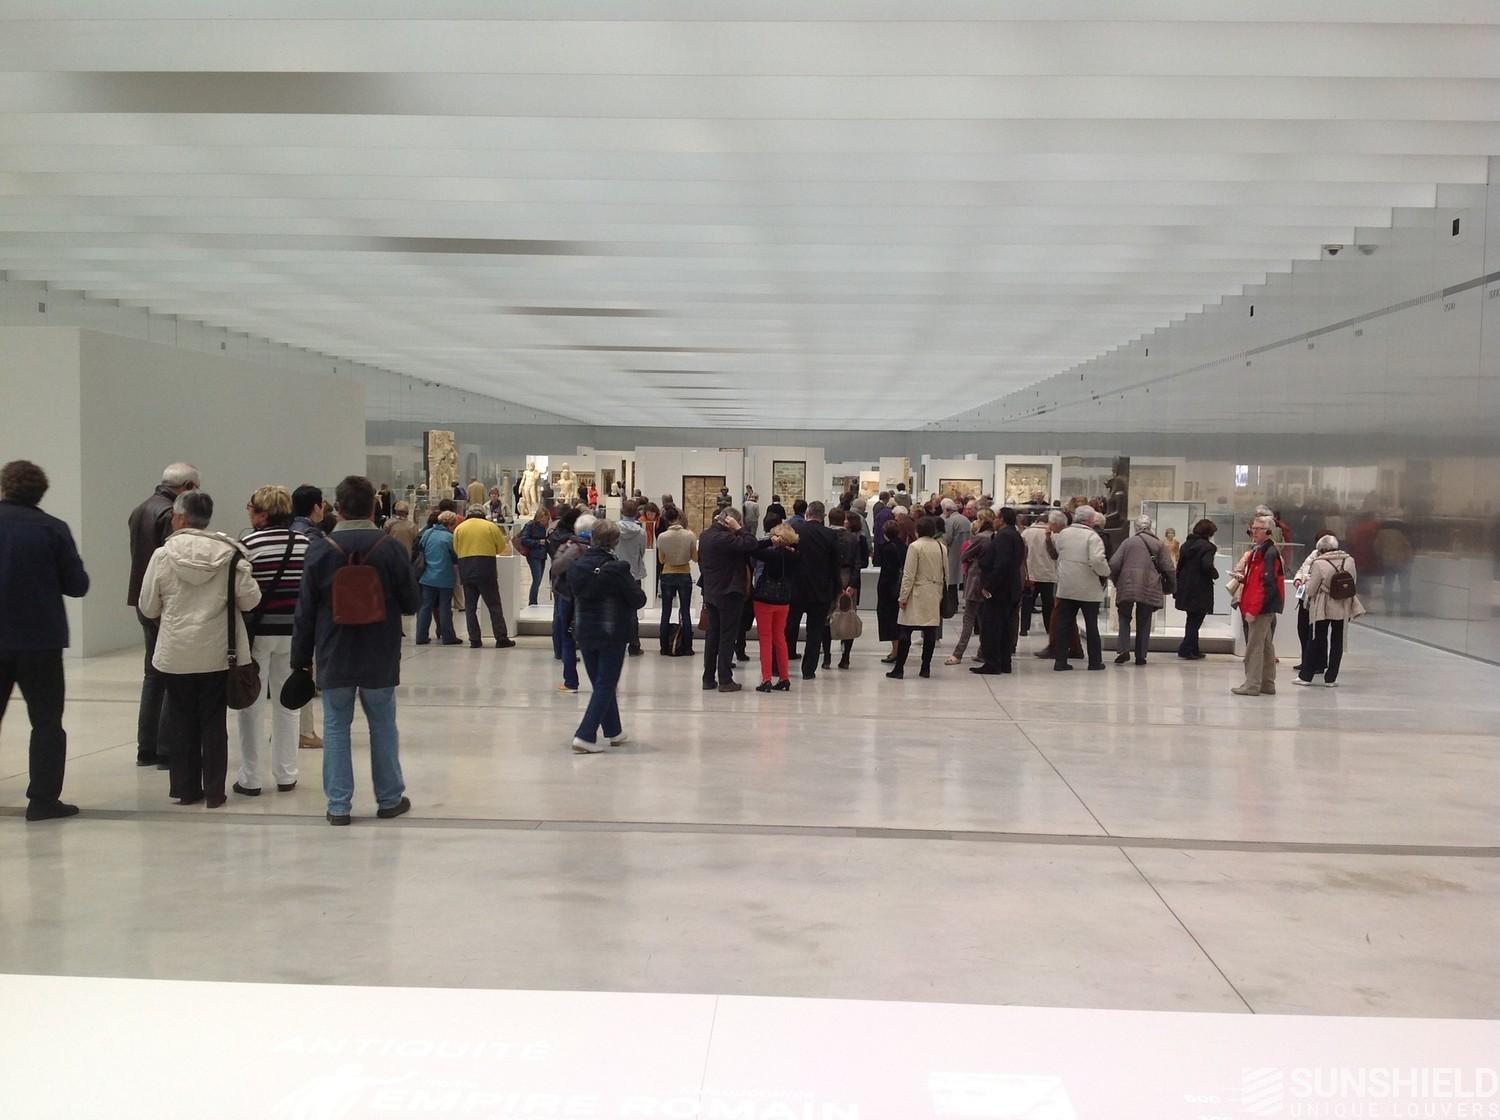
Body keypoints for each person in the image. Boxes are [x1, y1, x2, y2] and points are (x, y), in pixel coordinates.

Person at [293, 476, 420, 824]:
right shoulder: (390, 547)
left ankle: (338, 806)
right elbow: (411, 602)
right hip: (380, 651)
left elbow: (304, 610)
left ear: (338, 507)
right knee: (383, 724)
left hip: (335, 651)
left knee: (335, 726)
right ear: (375, 506)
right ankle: (390, 798)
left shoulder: (320, 549)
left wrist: (300, 659)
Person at [138, 490, 261, 808]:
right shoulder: (231, 555)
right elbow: (251, 600)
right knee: (213, 721)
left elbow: (148, 606)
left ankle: (185, 788)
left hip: (175, 653)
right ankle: (216, 792)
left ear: (179, 517)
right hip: (219, 654)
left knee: (180, 719)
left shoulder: (162, 556)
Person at [0, 460, 89, 821]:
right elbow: (77, 585)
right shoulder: (53, 529)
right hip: (41, 640)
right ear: (40, 493)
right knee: (47, 721)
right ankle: (42, 800)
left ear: (4, 488)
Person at [233, 485, 310, 798]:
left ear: (262, 512)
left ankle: (251, 777)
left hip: (257, 634)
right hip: (293, 634)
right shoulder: (306, 544)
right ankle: (286, 774)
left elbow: (240, 592)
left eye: (250, 507)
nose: (248, 512)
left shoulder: (247, 545)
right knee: (287, 704)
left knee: (250, 704)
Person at [127, 461, 200, 769]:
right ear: (187, 488)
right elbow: (175, 561)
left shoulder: (139, 509)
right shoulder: (170, 515)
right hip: (166, 605)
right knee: (173, 673)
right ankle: (167, 748)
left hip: (143, 600)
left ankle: (147, 747)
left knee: (153, 675)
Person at [566, 519, 647, 753]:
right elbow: (637, 599)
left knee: (602, 684)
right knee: (605, 684)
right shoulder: (617, 568)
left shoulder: (577, 565)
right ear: (615, 541)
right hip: (612, 633)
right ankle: (585, 735)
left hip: (584, 631)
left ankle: (614, 730)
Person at [697, 508, 758, 692]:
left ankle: (708, 678)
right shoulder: (725, 538)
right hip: (729, 593)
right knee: (727, 637)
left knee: (712, 636)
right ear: (730, 521)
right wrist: (739, 528)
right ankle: (725, 679)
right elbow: (751, 543)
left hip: (711, 592)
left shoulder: (705, 535)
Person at [1296, 534, 1365, 688]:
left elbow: (1312, 589)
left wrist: (1306, 585)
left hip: (1323, 606)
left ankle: (1306, 676)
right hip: (1343, 605)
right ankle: (1331, 678)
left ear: (1321, 550)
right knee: (1337, 642)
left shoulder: (1319, 563)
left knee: (1316, 639)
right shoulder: (1349, 560)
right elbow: (1352, 582)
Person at [1109, 514, 1175, 666]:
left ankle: (1123, 649)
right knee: (1144, 620)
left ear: (1136, 527)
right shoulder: (1159, 545)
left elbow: (1114, 563)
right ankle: (1141, 655)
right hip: (1149, 584)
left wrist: (1117, 580)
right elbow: (1168, 568)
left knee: (1124, 617)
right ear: (1150, 527)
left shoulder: (1128, 542)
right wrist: (1172, 586)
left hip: (1127, 584)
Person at [786, 501, 841, 679]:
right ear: (823, 516)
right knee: (815, 631)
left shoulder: (796, 530)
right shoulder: (830, 535)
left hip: (796, 588)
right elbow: (835, 565)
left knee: (790, 625)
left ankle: (783, 662)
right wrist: (836, 590)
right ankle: (808, 670)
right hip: (821, 589)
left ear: (807, 514)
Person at [1232, 515, 1286, 697]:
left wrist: (1253, 609)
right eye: (1252, 529)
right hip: (1262, 605)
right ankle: (1267, 683)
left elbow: (1267, 584)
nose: (1253, 532)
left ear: (1268, 531)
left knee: (1254, 646)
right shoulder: (1261, 551)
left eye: (1257, 529)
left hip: (1261, 607)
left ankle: (1252, 684)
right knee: (1265, 645)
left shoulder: (1268, 553)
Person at [1052, 506, 1110, 672]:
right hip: (1088, 588)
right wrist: (1106, 573)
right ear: (1091, 520)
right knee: (1091, 625)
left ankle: (1060, 661)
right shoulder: (1092, 536)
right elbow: (1097, 560)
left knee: (1064, 624)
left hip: (1066, 585)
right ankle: (1095, 662)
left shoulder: (1064, 534)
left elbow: (1058, 552)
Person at [889, 516, 948, 679]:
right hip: (934, 592)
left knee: (906, 630)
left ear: (917, 530)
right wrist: (942, 593)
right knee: (930, 632)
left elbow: (909, 574)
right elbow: (946, 573)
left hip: (916, 592)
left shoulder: (915, 547)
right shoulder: (941, 546)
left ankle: (899, 668)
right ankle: (925, 668)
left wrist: (903, 596)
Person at [454, 506, 516, 649]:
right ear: (483, 514)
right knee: (494, 605)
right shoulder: (490, 526)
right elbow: (501, 547)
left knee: (470, 607)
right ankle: (501, 638)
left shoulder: (460, 528)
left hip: (466, 568)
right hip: (485, 568)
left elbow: (456, 549)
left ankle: (474, 639)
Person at [972, 507, 1025, 675]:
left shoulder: (1004, 536)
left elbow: (1002, 564)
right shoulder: (1015, 535)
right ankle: (1004, 662)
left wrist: (989, 586)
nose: (993, 521)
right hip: (1011, 587)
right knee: (1005, 628)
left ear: (1001, 519)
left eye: (996, 518)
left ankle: (993, 663)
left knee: (992, 627)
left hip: (1000, 589)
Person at [751, 521, 799, 691]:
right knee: (780, 638)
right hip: (784, 601)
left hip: (765, 599)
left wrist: (769, 542)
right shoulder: (795, 555)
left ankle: (766, 679)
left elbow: (753, 548)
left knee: (765, 639)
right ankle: (784, 677)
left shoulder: (772, 555)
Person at [945, 509, 993, 665]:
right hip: (988, 583)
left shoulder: (980, 538)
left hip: (975, 581)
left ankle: (958, 654)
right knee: (984, 619)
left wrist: (973, 557)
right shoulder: (994, 537)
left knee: (969, 619)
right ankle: (983, 652)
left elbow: (964, 555)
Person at [548, 508, 587, 690]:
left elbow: (556, 567)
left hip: (565, 591)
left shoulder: (558, 538)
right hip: (583, 594)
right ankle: (603, 681)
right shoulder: (589, 546)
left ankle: (570, 680)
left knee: (566, 633)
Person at [1174, 519, 1220, 660]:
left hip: (1185, 586)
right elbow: (1206, 565)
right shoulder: (1208, 547)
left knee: (1191, 619)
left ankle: (1194, 649)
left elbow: (1180, 566)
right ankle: (1185, 649)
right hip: (1200, 588)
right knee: (1196, 620)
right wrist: (1214, 573)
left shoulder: (1186, 545)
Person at [414, 510, 461, 645]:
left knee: (425, 607)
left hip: (427, 576)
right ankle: (448, 637)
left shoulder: (428, 533)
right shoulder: (449, 538)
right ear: (451, 524)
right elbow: (455, 557)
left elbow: (420, 548)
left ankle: (421, 636)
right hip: (445, 577)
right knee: (444, 607)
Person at [655, 506, 697, 656]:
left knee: (665, 611)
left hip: (667, 573)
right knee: (685, 611)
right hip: (684, 573)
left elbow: (661, 559)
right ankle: (687, 647)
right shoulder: (690, 535)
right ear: (680, 518)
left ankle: (664, 647)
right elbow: (695, 557)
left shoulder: (662, 537)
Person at [1020, 510, 1061, 640]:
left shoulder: (1026, 532)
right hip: (1047, 573)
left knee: (1027, 602)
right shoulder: (1052, 534)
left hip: (1030, 573)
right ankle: (1049, 628)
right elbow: (1055, 554)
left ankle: (1024, 628)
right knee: (1048, 603)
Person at [616, 499, 647, 656]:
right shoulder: (641, 532)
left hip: (615, 573)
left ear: (622, 511)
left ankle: (616, 643)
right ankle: (634, 645)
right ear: (636, 513)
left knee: (615, 609)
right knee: (632, 611)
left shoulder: (614, 528)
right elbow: (642, 552)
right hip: (633, 573)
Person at [876, 519, 907, 664]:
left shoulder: (887, 548)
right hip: (901, 586)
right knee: (899, 620)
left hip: (889, 589)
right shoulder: (904, 547)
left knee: (890, 621)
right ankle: (897, 649)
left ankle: (895, 651)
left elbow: (886, 572)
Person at [516, 507, 551, 607]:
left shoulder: (547, 527)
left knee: (538, 580)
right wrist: (538, 542)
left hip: (542, 555)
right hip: (533, 555)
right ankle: (532, 602)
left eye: (546, 520)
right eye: (543, 519)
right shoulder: (531, 525)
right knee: (537, 579)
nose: (544, 522)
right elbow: (524, 539)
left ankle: (533, 601)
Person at [941, 499, 972, 600]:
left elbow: (947, 538)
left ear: (947, 510)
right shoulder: (966, 519)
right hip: (966, 551)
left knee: (951, 579)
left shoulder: (950, 521)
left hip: (954, 552)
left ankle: (952, 604)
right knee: (964, 577)